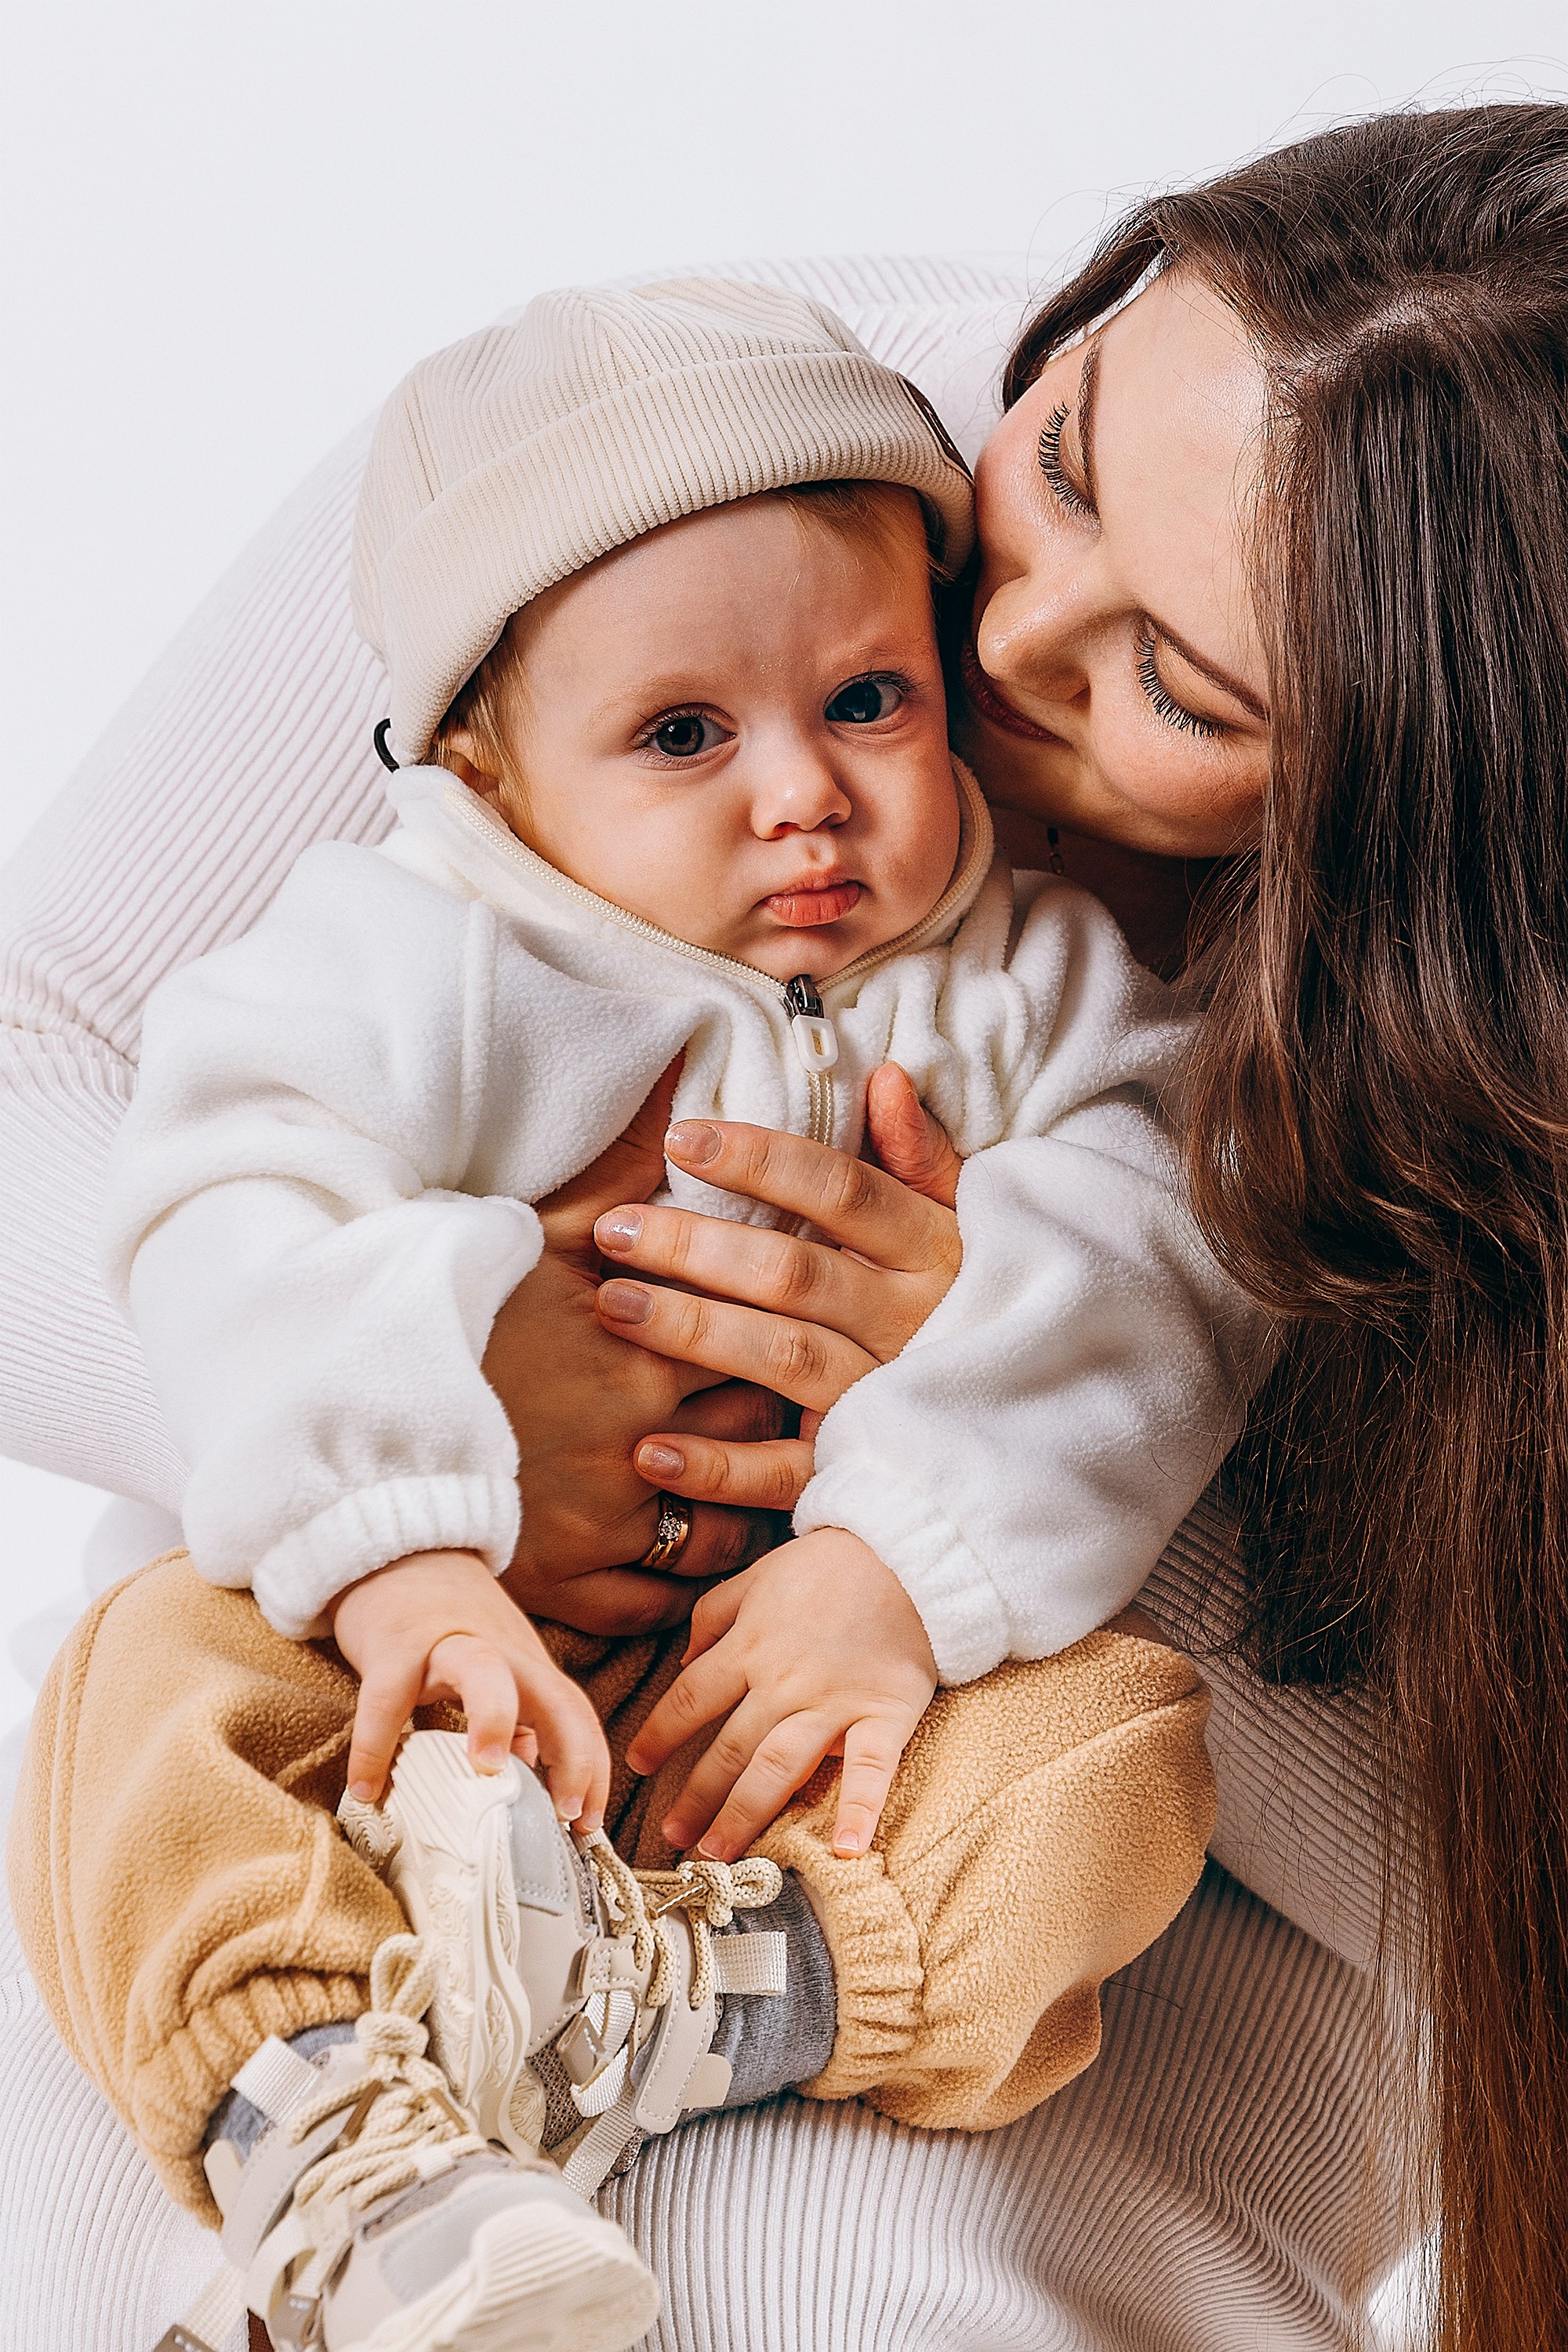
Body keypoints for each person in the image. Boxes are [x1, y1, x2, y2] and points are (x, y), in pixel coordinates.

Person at [8, 97, 1563, 2352]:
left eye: (1182, 689)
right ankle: (330, 2117)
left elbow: (1482, 1891)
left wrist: (1003, 1465)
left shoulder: (1126, 1014)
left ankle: (660, 2009)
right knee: (148, 1770)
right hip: (402, 1667)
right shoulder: (669, 472)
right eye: (1065, 463)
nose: (992, 629)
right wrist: (460, 1429)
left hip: (1016, 1872)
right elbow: (50, 1055)